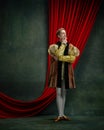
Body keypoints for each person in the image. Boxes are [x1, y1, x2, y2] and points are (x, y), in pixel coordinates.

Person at [48, 28, 80, 122]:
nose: (64, 35)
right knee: (58, 92)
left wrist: (61, 58)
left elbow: (73, 58)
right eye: (62, 33)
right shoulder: (54, 47)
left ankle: (63, 114)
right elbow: (57, 55)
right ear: (58, 36)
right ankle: (60, 114)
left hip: (66, 72)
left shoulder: (70, 46)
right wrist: (63, 48)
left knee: (64, 92)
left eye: (65, 33)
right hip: (57, 72)